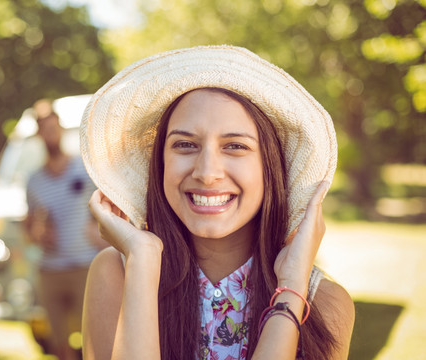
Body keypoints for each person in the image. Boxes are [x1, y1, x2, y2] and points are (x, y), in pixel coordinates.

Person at [80, 46, 355, 360]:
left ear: (271, 167)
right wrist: (143, 258)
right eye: (185, 145)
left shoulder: (325, 304)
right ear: (160, 164)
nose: (207, 173)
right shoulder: (116, 272)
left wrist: (292, 288)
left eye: (235, 146)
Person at [24, 99, 106, 360]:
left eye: (54, 127)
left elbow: (109, 207)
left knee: (94, 340)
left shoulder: (84, 168)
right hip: (50, 270)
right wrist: (37, 234)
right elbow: (30, 228)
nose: (51, 133)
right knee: (60, 345)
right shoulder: (34, 181)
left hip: (85, 266)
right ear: (39, 134)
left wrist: (100, 232)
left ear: (61, 130)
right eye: (45, 129)